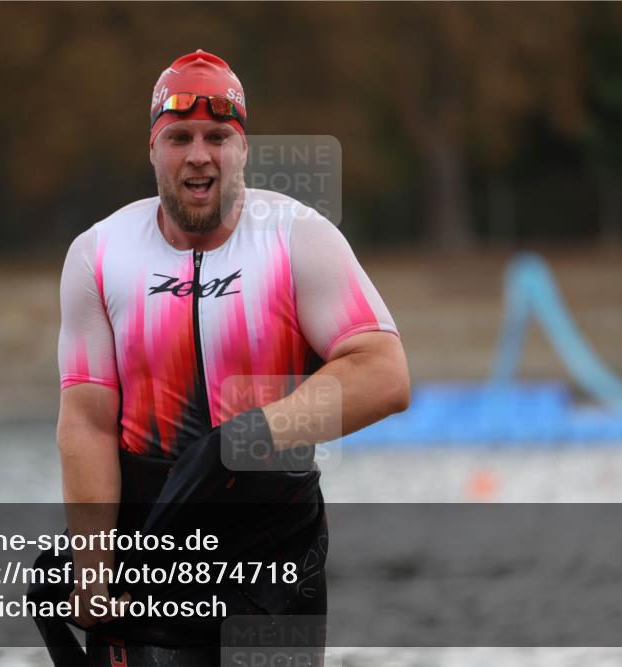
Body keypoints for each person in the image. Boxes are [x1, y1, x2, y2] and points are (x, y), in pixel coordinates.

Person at [28, 49, 410, 666]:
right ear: (153, 149)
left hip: (272, 546)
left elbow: (385, 374)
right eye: (179, 137)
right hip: (152, 537)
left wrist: (246, 438)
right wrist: (93, 566)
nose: (198, 154)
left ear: (243, 149)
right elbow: (87, 421)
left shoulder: (298, 239)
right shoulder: (98, 254)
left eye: (217, 137)